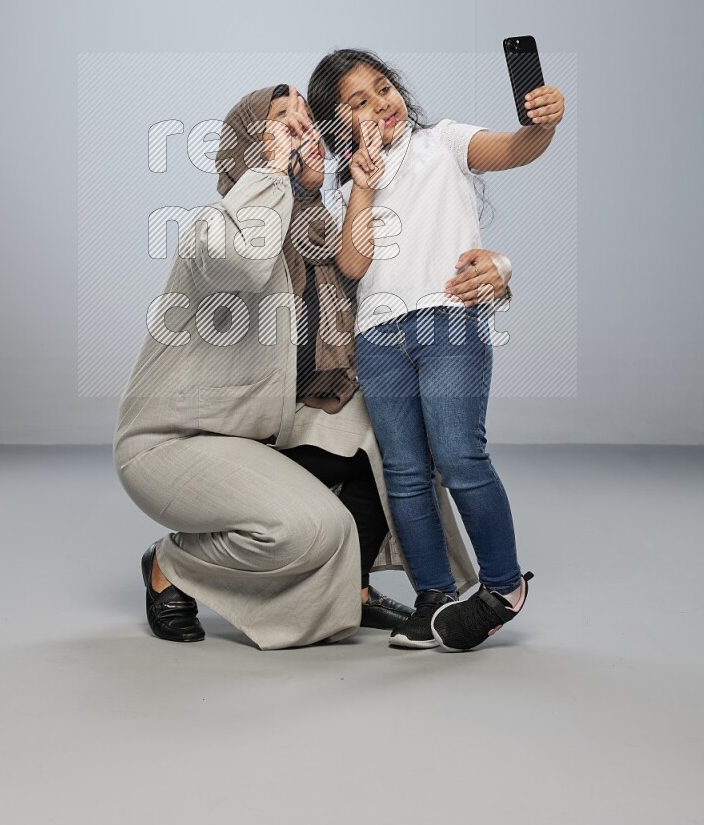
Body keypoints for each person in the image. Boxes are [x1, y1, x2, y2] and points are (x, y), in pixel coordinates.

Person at [113, 82, 514, 650]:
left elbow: (406, 286)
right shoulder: (214, 226)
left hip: (257, 437)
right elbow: (246, 262)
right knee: (312, 530)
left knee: (393, 429)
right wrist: (273, 167)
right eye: (283, 121)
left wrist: (497, 270)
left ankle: (352, 586)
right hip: (175, 443)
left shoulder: (325, 239)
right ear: (249, 148)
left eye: (308, 121)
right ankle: (173, 564)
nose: (306, 132)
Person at [307, 48, 565, 651]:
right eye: (358, 102)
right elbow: (352, 263)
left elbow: (514, 149)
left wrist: (542, 123)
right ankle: (433, 595)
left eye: (383, 87)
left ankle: (504, 586)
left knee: (458, 456)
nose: (379, 104)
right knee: (404, 472)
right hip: (379, 337)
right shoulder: (354, 188)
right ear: (339, 124)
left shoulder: (443, 142)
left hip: (450, 322)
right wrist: (363, 188)